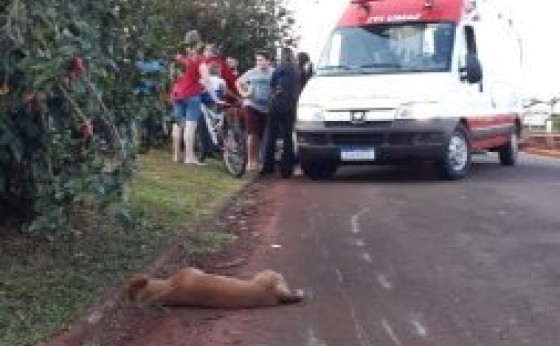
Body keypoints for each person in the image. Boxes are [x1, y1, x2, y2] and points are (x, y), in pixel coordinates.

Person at [170, 30, 218, 165]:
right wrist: (214, 97)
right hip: (192, 95)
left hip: (177, 94)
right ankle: (189, 157)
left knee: (178, 125)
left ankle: (175, 155)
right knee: (190, 127)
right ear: (198, 42)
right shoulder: (199, 59)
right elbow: (207, 80)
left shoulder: (179, 58)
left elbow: (172, 76)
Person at [261, 47, 301, 178]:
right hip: (290, 106)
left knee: (271, 136)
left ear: (282, 56)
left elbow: (272, 85)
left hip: (276, 105)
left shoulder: (279, 69)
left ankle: (268, 167)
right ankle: (286, 169)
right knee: (288, 138)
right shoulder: (297, 71)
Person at [236, 51, 275, 172]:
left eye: (262, 60)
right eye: (258, 60)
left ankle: (257, 160)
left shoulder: (273, 73)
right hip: (251, 105)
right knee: (252, 134)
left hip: (266, 107)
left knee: (261, 135)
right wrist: (244, 93)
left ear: (268, 61)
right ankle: (250, 162)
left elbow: (278, 86)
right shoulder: (251, 72)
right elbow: (238, 82)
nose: (259, 62)